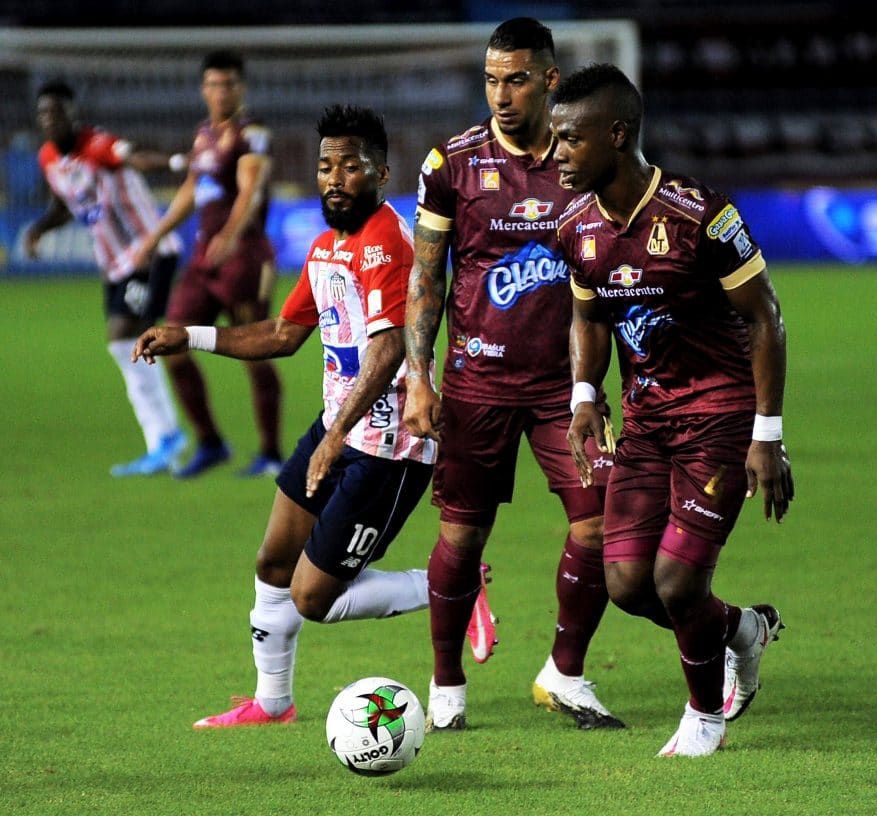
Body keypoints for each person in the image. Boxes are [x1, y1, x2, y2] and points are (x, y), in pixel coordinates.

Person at [134, 104, 475, 728]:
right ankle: (273, 703)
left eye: (350, 166)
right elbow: (282, 334)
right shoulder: (325, 248)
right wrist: (191, 335)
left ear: (381, 173)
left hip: (389, 445)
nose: (334, 179)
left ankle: (454, 586)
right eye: (325, 167)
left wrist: (335, 435)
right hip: (338, 428)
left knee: (313, 597)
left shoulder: (389, 243)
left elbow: (389, 349)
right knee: (272, 562)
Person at [551, 64, 794, 756]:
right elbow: (588, 316)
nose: (556, 153)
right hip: (647, 422)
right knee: (628, 584)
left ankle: (704, 717)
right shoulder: (575, 226)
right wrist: (584, 395)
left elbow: (765, 317)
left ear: (617, 134)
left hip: (720, 417)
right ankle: (743, 630)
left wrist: (767, 435)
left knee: (678, 580)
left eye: (571, 139)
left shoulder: (701, 215)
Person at [403, 18, 623, 731]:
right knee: (463, 536)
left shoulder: (584, 158)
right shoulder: (452, 164)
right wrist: (418, 375)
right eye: (492, 79)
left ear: (550, 80)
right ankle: (446, 685)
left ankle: (565, 673)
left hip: (568, 388)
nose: (501, 94)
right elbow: (426, 278)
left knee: (601, 525)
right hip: (478, 383)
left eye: (518, 79)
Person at [133, 50, 283, 478]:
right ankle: (211, 442)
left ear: (241, 88)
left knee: (255, 352)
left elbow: (251, 188)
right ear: (204, 89)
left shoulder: (251, 133)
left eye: (229, 84)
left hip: (245, 259)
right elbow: (191, 190)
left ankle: (271, 453)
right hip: (204, 261)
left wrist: (230, 235)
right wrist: (155, 236)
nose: (221, 92)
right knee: (171, 344)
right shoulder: (203, 136)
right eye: (214, 84)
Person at [26, 80, 186, 477]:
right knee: (125, 345)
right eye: (44, 113)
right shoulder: (49, 158)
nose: (50, 119)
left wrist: (176, 163)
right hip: (115, 264)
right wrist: (39, 229)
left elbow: (135, 157)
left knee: (125, 337)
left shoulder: (98, 146)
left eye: (58, 112)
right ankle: (164, 440)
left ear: (72, 114)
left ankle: (167, 437)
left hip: (150, 254)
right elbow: (64, 204)